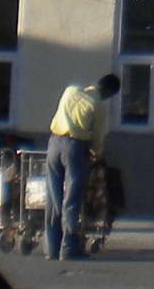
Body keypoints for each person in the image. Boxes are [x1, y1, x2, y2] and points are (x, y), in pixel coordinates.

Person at [46, 72, 120, 261]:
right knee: (72, 200)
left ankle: (51, 249)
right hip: (75, 147)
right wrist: (95, 154)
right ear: (109, 92)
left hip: (53, 144)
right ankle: (69, 249)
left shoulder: (70, 91)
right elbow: (97, 137)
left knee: (54, 199)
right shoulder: (99, 106)